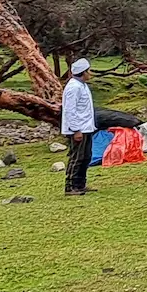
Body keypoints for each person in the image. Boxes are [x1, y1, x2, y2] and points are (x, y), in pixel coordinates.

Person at [61, 58, 97, 195]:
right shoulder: (73, 87)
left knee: (86, 156)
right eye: (89, 71)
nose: (90, 73)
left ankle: (80, 184)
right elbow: (70, 110)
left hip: (86, 127)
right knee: (77, 157)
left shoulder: (82, 85)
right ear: (84, 72)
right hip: (78, 128)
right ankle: (70, 186)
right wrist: (76, 129)